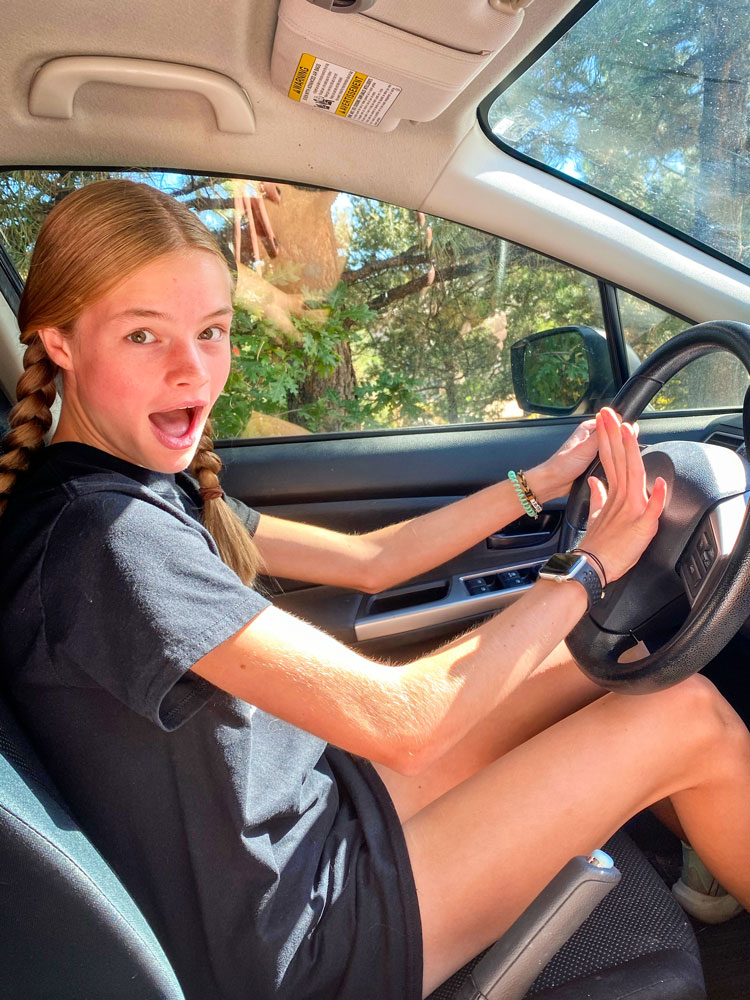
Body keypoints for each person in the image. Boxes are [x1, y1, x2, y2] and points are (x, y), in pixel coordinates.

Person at [0, 179, 747, 1000]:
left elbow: (374, 561)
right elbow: (406, 722)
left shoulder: (129, 488)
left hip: (304, 816)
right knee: (691, 718)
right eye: (144, 335)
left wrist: (539, 480)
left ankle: (711, 873)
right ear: (59, 341)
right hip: (302, 934)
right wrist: (589, 567)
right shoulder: (106, 542)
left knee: (611, 657)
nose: (192, 371)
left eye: (212, 332)